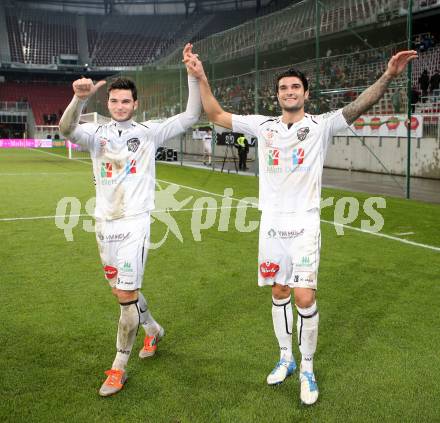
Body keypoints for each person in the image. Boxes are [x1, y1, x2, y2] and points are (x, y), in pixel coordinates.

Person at [185, 49, 417, 405]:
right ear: (276, 95)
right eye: (283, 87)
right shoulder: (263, 126)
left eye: (295, 87)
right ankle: (285, 358)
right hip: (272, 226)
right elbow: (214, 113)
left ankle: (307, 367)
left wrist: (387, 75)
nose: (289, 91)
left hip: (305, 224)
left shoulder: (321, 125)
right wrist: (200, 76)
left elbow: (358, 107)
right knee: (279, 292)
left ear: (306, 94)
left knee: (304, 296)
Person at [59, 43, 201, 397]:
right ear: (107, 103)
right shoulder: (97, 135)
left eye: (126, 101)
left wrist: (192, 76)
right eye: (114, 100)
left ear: (135, 104)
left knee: (125, 295)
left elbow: (190, 116)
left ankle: (119, 366)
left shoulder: (149, 132)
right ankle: (153, 330)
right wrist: (78, 99)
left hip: (135, 224)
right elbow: (65, 130)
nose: (120, 106)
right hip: (104, 224)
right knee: (122, 293)